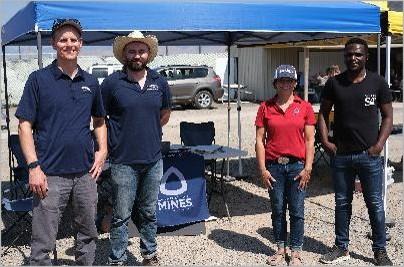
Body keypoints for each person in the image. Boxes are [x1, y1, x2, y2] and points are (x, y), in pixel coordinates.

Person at [15, 18, 107, 265]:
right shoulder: (38, 80)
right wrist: (34, 167)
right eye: (63, 39)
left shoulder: (90, 82)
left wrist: (103, 151)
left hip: (85, 174)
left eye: (74, 40)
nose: (69, 44)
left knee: (88, 234)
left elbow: (99, 121)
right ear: (54, 44)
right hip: (49, 175)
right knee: (43, 243)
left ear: (81, 44)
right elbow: (24, 126)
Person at [318, 38, 393, 266]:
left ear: (366, 57)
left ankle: (380, 251)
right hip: (341, 155)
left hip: (369, 156)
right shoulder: (334, 83)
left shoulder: (378, 83)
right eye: (349, 54)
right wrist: (325, 142)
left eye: (358, 54)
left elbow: (388, 117)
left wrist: (378, 145)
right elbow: (322, 114)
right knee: (342, 203)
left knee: (375, 205)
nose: (353, 58)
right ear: (344, 56)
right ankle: (341, 247)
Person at [101, 31, 171, 266]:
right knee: (121, 216)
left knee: (149, 213)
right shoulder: (112, 83)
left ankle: (149, 255)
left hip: (153, 160)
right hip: (123, 161)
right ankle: (117, 259)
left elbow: (164, 113)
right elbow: (100, 118)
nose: (137, 55)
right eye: (132, 51)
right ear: (124, 54)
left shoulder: (159, 81)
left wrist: (145, 129)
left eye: (141, 50)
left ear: (148, 54)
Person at [255, 65, 315, 266]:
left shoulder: (304, 106)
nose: (286, 84)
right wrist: (262, 169)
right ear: (275, 83)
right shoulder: (265, 107)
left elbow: (309, 140)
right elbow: (259, 140)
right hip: (274, 168)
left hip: (297, 167)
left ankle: (296, 251)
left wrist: (308, 168)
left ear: (295, 83)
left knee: (297, 211)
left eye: (290, 80)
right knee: (278, 209)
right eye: (282, 80)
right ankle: (280, 248)